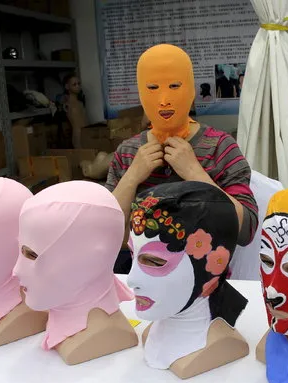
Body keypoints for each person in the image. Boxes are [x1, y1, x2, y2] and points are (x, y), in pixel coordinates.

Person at [106, 44, 258, 273]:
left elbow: (246, 230)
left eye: (175, 86)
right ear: (140, 93)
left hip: (206, 284)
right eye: (152, 87)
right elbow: (106, 236)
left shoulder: (220, 146)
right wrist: (132, 177)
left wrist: (195, 173)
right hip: (142, 281)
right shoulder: (127, 153)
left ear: (191, 89)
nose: (164, 100)